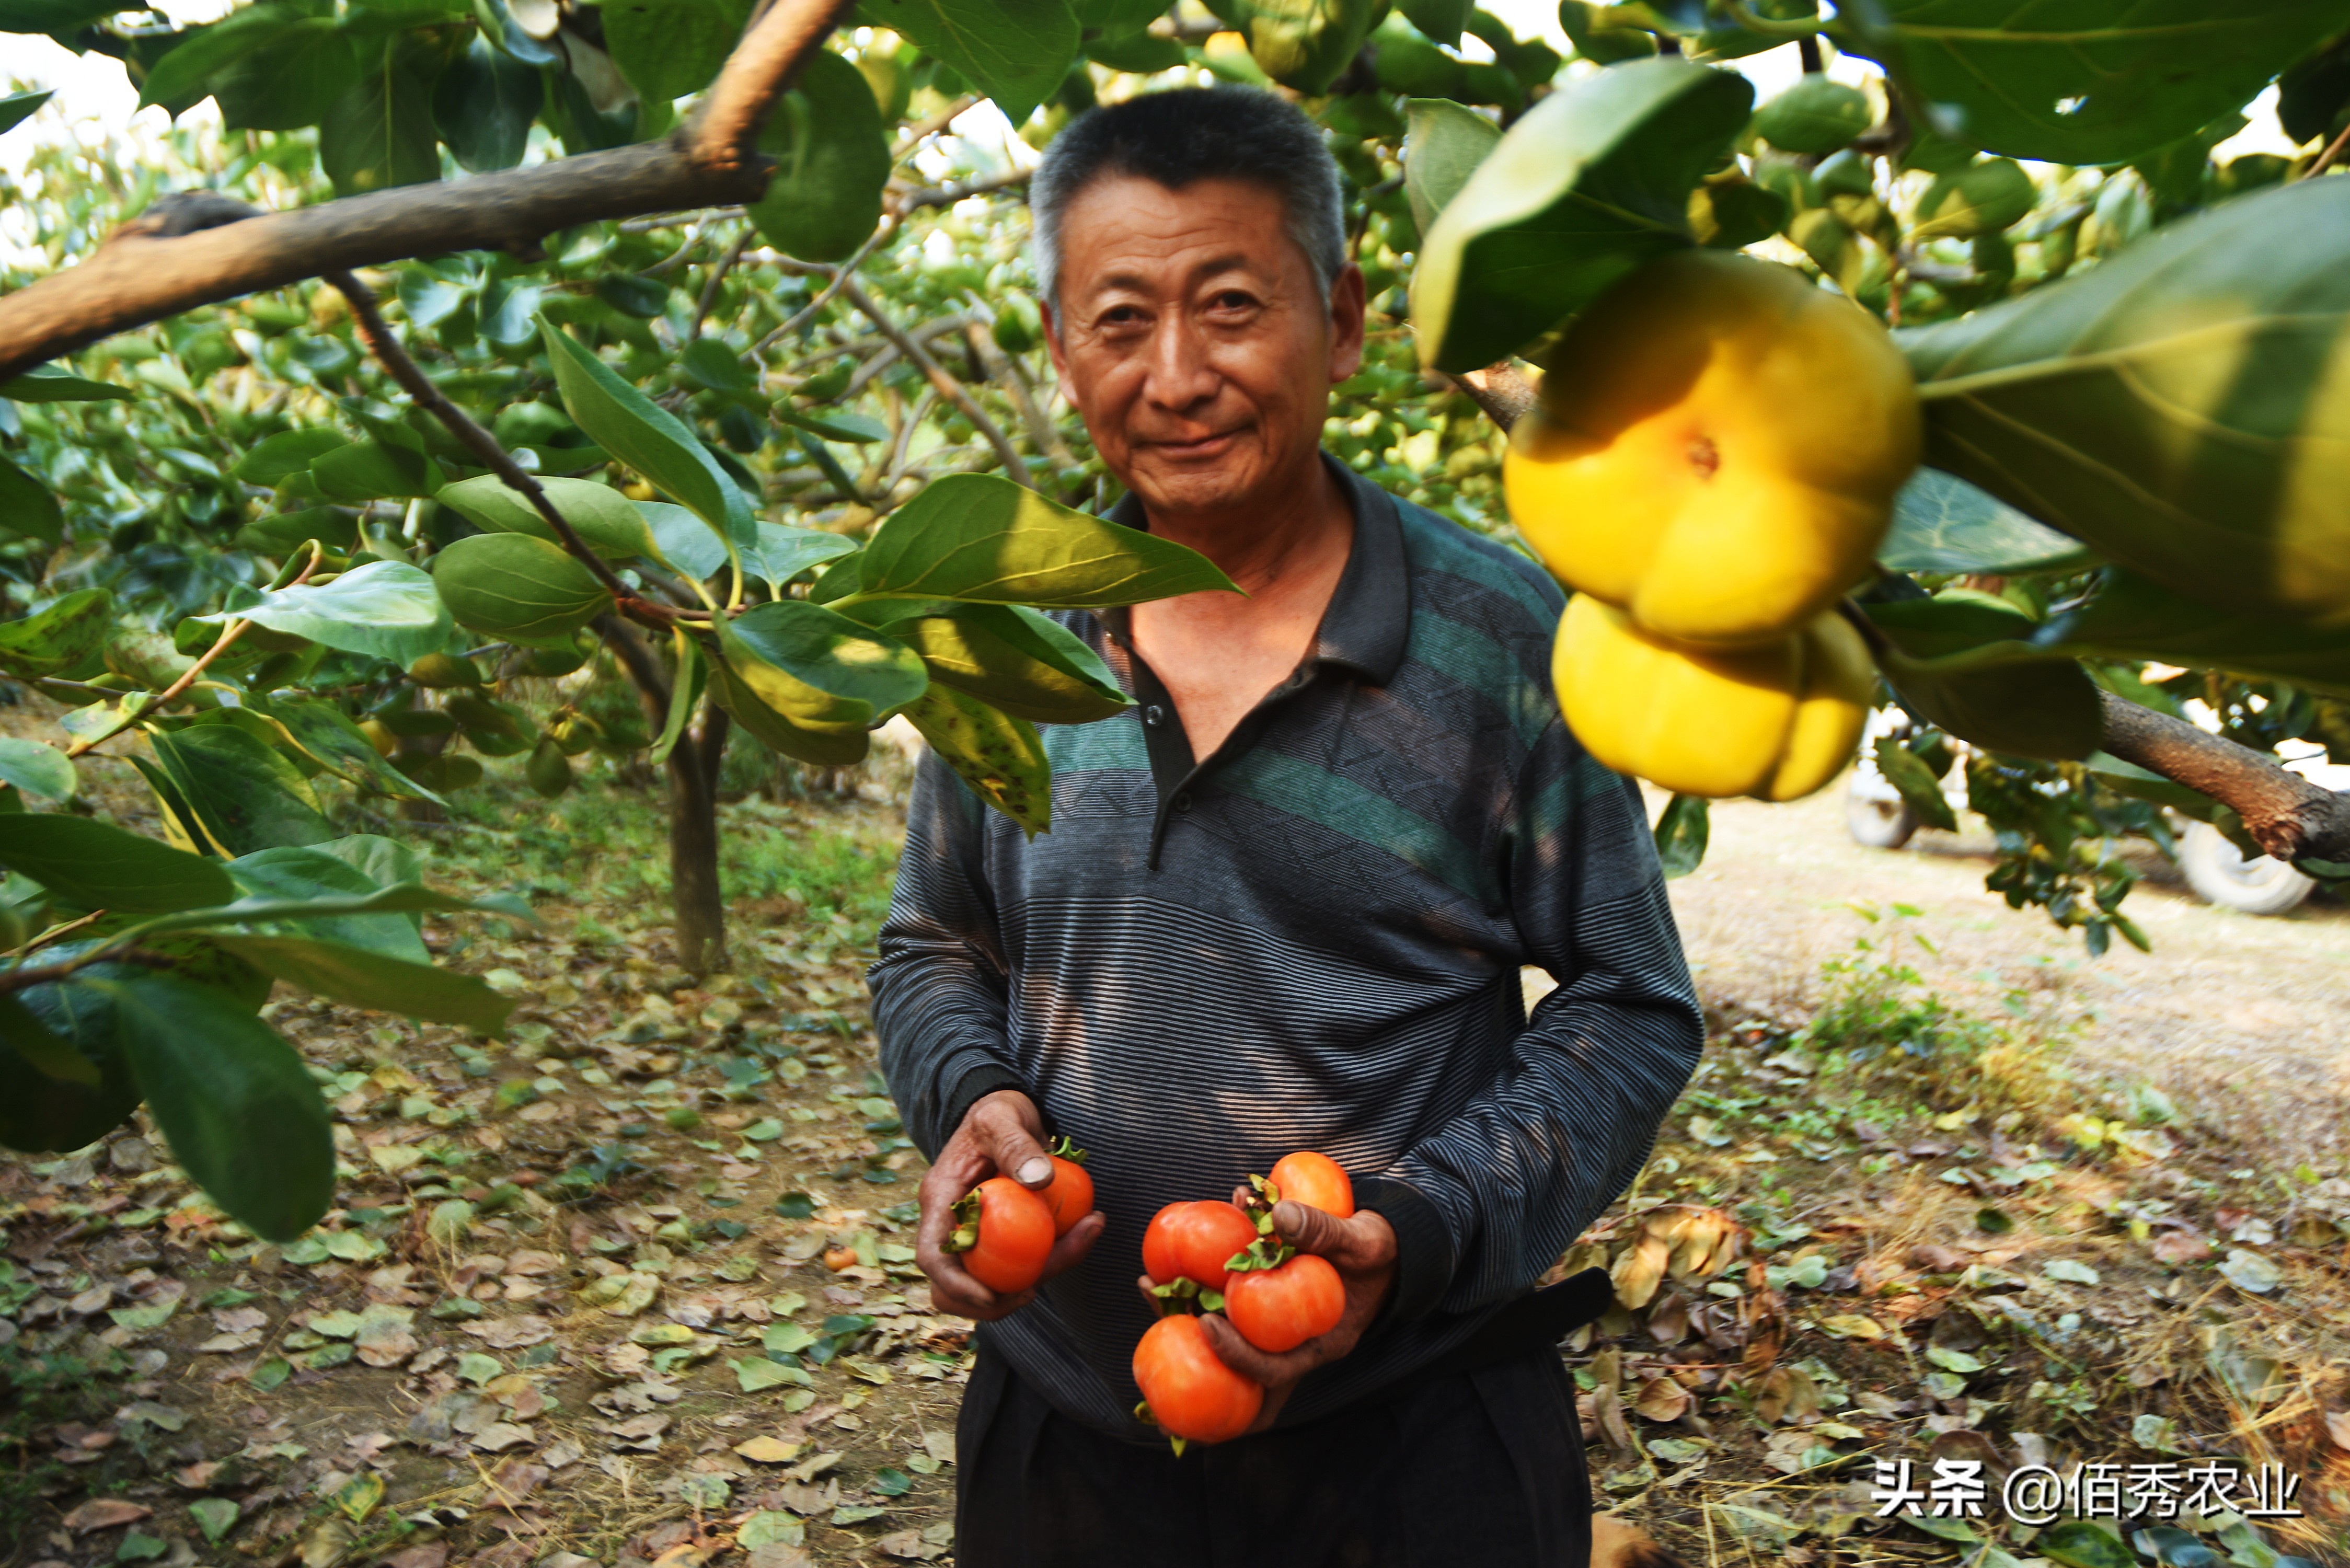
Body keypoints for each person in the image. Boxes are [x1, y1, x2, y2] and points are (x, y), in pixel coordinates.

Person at [868, 85, 1703, 1567]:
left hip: (1416, 1446)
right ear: (1063, 346)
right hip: (1071, 1440)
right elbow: (937, 940)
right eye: (1120, 320)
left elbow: (1631, 1005)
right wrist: (969, 1096)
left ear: (1346, 319)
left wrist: (1425, 1228)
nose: (1177, 375)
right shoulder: (1003, 630)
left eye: (1233, 306)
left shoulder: (1507, 639)